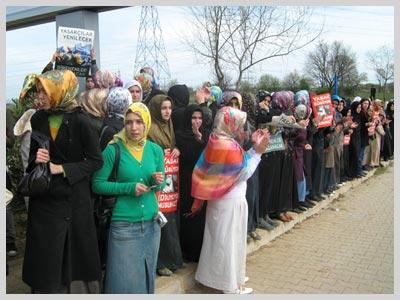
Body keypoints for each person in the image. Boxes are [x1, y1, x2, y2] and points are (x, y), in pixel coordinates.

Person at [21, 69, 103, 293]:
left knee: (72, 257)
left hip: (74, 201)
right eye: (39, 92)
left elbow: (96, 162)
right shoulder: (38, 118)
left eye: (45, 92)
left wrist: (63, 168)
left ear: (60, 91)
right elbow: (32, 162)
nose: (40, 97)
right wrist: (36, 158)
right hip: (45, 199)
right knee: (46, 257)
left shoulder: (82, 121)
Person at [191, 106, 270, 294]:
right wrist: (258, 152)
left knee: (217, 241)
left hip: (219, 201)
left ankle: (222, 278)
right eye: (239, 124)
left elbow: (238, 164)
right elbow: (244, 173)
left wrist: (253, 148)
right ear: (230, 123)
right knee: (229, 243)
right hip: (231, 202)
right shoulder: (228, 145)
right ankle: (231, 286)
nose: (241, 128)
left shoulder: (216, 139)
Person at [92, 102, 165, 294]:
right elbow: (97, 184)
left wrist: (157, 181)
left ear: (147, 123)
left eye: (139, 122)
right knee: (122, 283)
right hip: (123, 225)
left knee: (147, 277)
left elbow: (161, 184)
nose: (134, 128)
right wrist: (129, 188)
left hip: (152, 224)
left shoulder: (155, 150)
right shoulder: (113, 150)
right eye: (129, 122)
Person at [147, 94, 184, 276]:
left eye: (169, 108)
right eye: (163, 108)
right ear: (155, 109)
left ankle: (173, 258)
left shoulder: (169, 126)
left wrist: (176, 149)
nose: (167, 111)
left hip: (170, 182)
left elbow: (174, 144)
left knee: (169, 219)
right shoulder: (150, 128)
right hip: (156, 181)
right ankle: (160, 262)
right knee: (158, 219)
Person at [175, 104, 209, 262]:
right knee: (188, 214)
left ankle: (199, 251)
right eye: (194, 118)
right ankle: (187, 251)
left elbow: (208, 156)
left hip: (201, 181)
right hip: (186, 180)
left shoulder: (206, 134)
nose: (197, 121)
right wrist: (196, 139)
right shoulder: (180, 135)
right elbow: (187, 156)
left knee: (200, 215)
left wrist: (200, 138)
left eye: (199, 118)